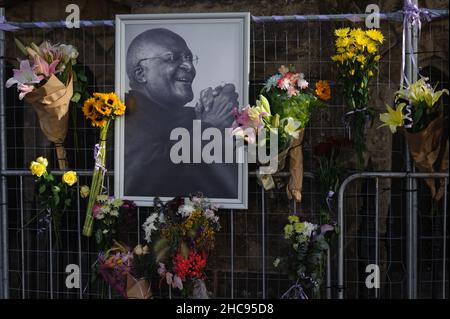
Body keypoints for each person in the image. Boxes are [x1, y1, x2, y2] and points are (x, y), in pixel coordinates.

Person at [124, 28, 239, 198]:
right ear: (141, 74)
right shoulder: (126, 115)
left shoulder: (190, 116)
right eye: (172, 58)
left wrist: (219, 104)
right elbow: (144, 178)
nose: (189, 66)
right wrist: (210, 126)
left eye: (189, 58)